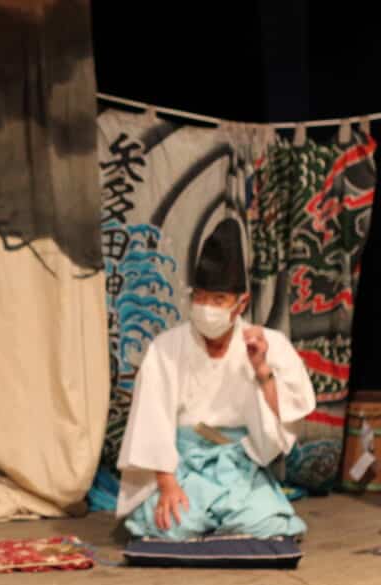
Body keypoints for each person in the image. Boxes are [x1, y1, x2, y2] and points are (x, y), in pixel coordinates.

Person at [116, 217, 316, 540]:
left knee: (268, 524)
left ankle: (231, 513)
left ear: (241, 303)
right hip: (183, 465)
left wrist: (262, 370)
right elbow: (151, 420)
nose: (207, 307)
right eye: (201, 297)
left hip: (240, 465)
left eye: (219, 300)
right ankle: (194, 510)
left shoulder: (266, 343)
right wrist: (167, 484)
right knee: (170, 524)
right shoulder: (166, 348)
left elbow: (287, 416)